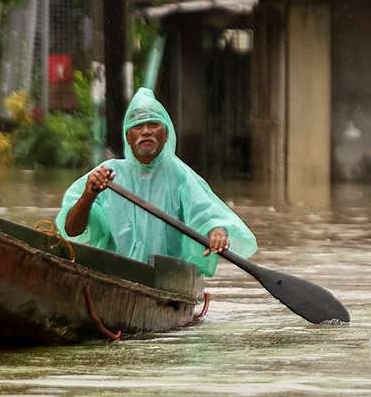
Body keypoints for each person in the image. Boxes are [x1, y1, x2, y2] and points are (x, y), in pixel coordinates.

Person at [57, 88, 257, 276]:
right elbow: (71, 230)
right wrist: (88, 196)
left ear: (166, 134)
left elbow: (209, 217)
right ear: (127, 136)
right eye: (137, 126)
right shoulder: (106, 174)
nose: (146, 131)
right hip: (115, 272)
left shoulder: (180, 176)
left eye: (153, 124)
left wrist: (218, 232)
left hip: (165, 277)